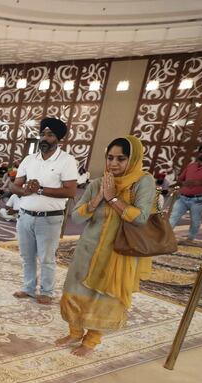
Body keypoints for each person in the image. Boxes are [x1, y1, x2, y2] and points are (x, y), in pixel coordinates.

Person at [58, 136, 156, 357]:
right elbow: (77, 217)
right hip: (88, 248)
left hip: (118, 252)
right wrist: (98, 198)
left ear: (133, 159)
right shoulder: (98, 183)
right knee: (73, 290)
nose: (113, 163)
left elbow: (140, 218)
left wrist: (113, 199)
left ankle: (91, 341)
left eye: (121, 158)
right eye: (110, 157)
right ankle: (74, 332)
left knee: (103, 297)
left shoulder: (143, 182)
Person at [11, 117, 78, 304]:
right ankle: (28, 288)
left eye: (49, 135)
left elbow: (71, 191)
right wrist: (24, 190)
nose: (44, 138)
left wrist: (39, 189)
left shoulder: (67, 160)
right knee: (26, 256)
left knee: (46, 258)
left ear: (58, 139)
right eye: (42, 134)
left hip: (49, 219)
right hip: (25, 216)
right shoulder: (29, 159)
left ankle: (47, 292)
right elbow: (14, 186)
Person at [168, 143, 202, 242]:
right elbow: (180, 179)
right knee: (173, 218)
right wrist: (184, 183)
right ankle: (165, 239)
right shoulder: (192, 165)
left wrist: (200, 182)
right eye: (201, 151)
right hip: (182, 198)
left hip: (199, 199)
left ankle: (190, 240)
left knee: (195, 221)